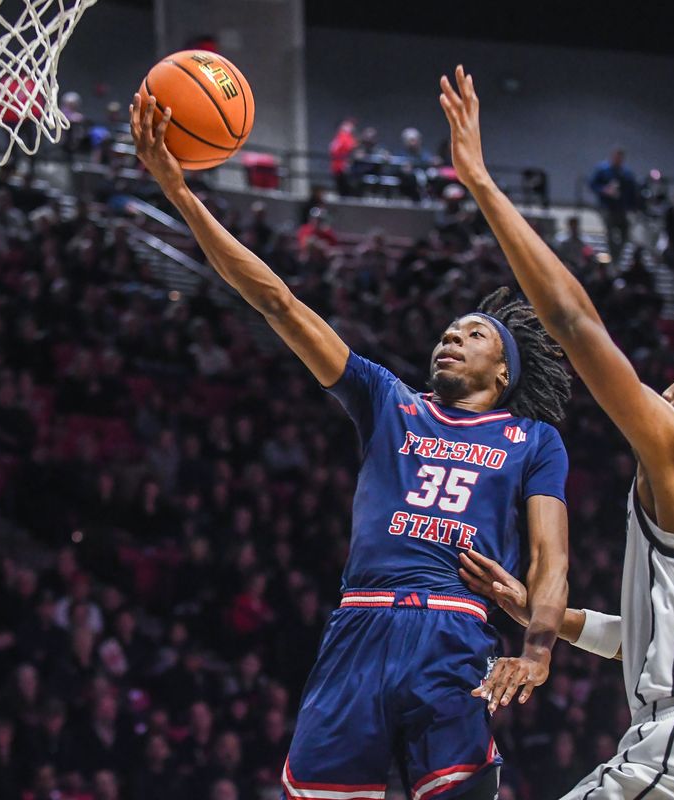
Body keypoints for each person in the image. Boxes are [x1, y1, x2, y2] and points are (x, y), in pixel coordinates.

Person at [131, 91, 573, 799]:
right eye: (450, 330)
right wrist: (181, 194)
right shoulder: (387, 400)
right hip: (360, 625)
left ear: (503, 371)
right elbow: (277, 300)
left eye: (474, 333)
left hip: (452, 634)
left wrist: (540, 648)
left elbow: (553, 560)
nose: (452, 337)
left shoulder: (533, 439)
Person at [440, 64, 674, 799]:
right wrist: (554, 617)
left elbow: (574, 324)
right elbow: (654, 636)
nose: (673, 378)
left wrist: (480, 183)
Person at [588, 146, 638, 264]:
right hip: (607, 207)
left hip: (621, 209)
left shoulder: (626, 173)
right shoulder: (603, 170)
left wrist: (633, 207)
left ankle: (617, 257)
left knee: (625, 234)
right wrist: (604, 190)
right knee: (610, 233)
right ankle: (614, 258)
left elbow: (632, 191)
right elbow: (592, 184)